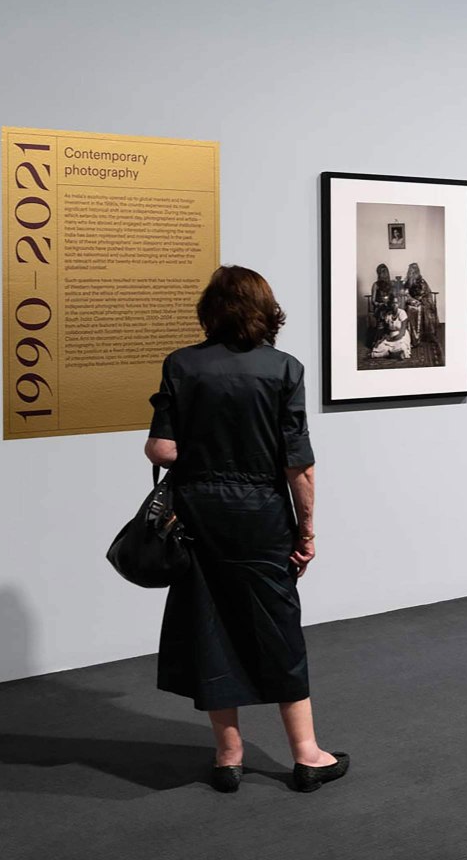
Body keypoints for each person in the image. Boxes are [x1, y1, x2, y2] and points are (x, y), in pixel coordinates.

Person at [144, 265, 349, 794]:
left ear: (210, 309)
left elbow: (161, 449)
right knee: (277, 624)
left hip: (199, 511)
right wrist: (305, 533)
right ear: (266, 309)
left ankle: (228, 755)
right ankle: (306, 755)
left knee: (208, 623)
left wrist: (204, 454)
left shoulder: (182, 365)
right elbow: (298, 466)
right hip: (260, 511)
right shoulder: (285, 369)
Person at [404, 262, 439, 347]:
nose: (412, 272)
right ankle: (412, 336)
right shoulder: (408, 281)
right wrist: (410, 299)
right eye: (411, 270)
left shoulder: (421, 281)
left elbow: (423, 293)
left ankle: (419, 336)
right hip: (412, 301)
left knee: (419, 308)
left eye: (414, 271)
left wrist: (417, 300)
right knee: (410, 308)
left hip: (423, 300)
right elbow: (406, 292)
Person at [370, 295, 411, 360]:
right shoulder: (388, 314)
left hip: (401, 336)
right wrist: (381, 340)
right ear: (390, 304)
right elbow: (386, 331)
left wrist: (390, 339)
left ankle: (393, 352)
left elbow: (402, 333)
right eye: (393, 303)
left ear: (399, 304)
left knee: (401, 346)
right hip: (390, 336)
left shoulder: (402, 313)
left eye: (396, 303)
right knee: (379, 347)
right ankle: (392, 354)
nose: (395, 305)